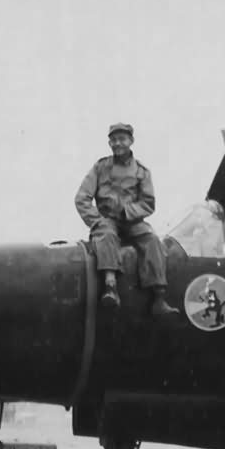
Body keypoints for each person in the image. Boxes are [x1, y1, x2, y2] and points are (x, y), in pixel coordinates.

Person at [75, 122, 176, 318]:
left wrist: (127, 212)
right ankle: (110, 287)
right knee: (106, 234)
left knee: (152, 239)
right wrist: (96, 219)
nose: (117, 143)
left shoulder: (142, 172)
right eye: (113, 140)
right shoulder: (100, 167)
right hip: (106, 219)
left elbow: (148, 203)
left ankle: (158, 298)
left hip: (132, 221)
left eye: (121, 139)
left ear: (131, 141)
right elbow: (82, 198)